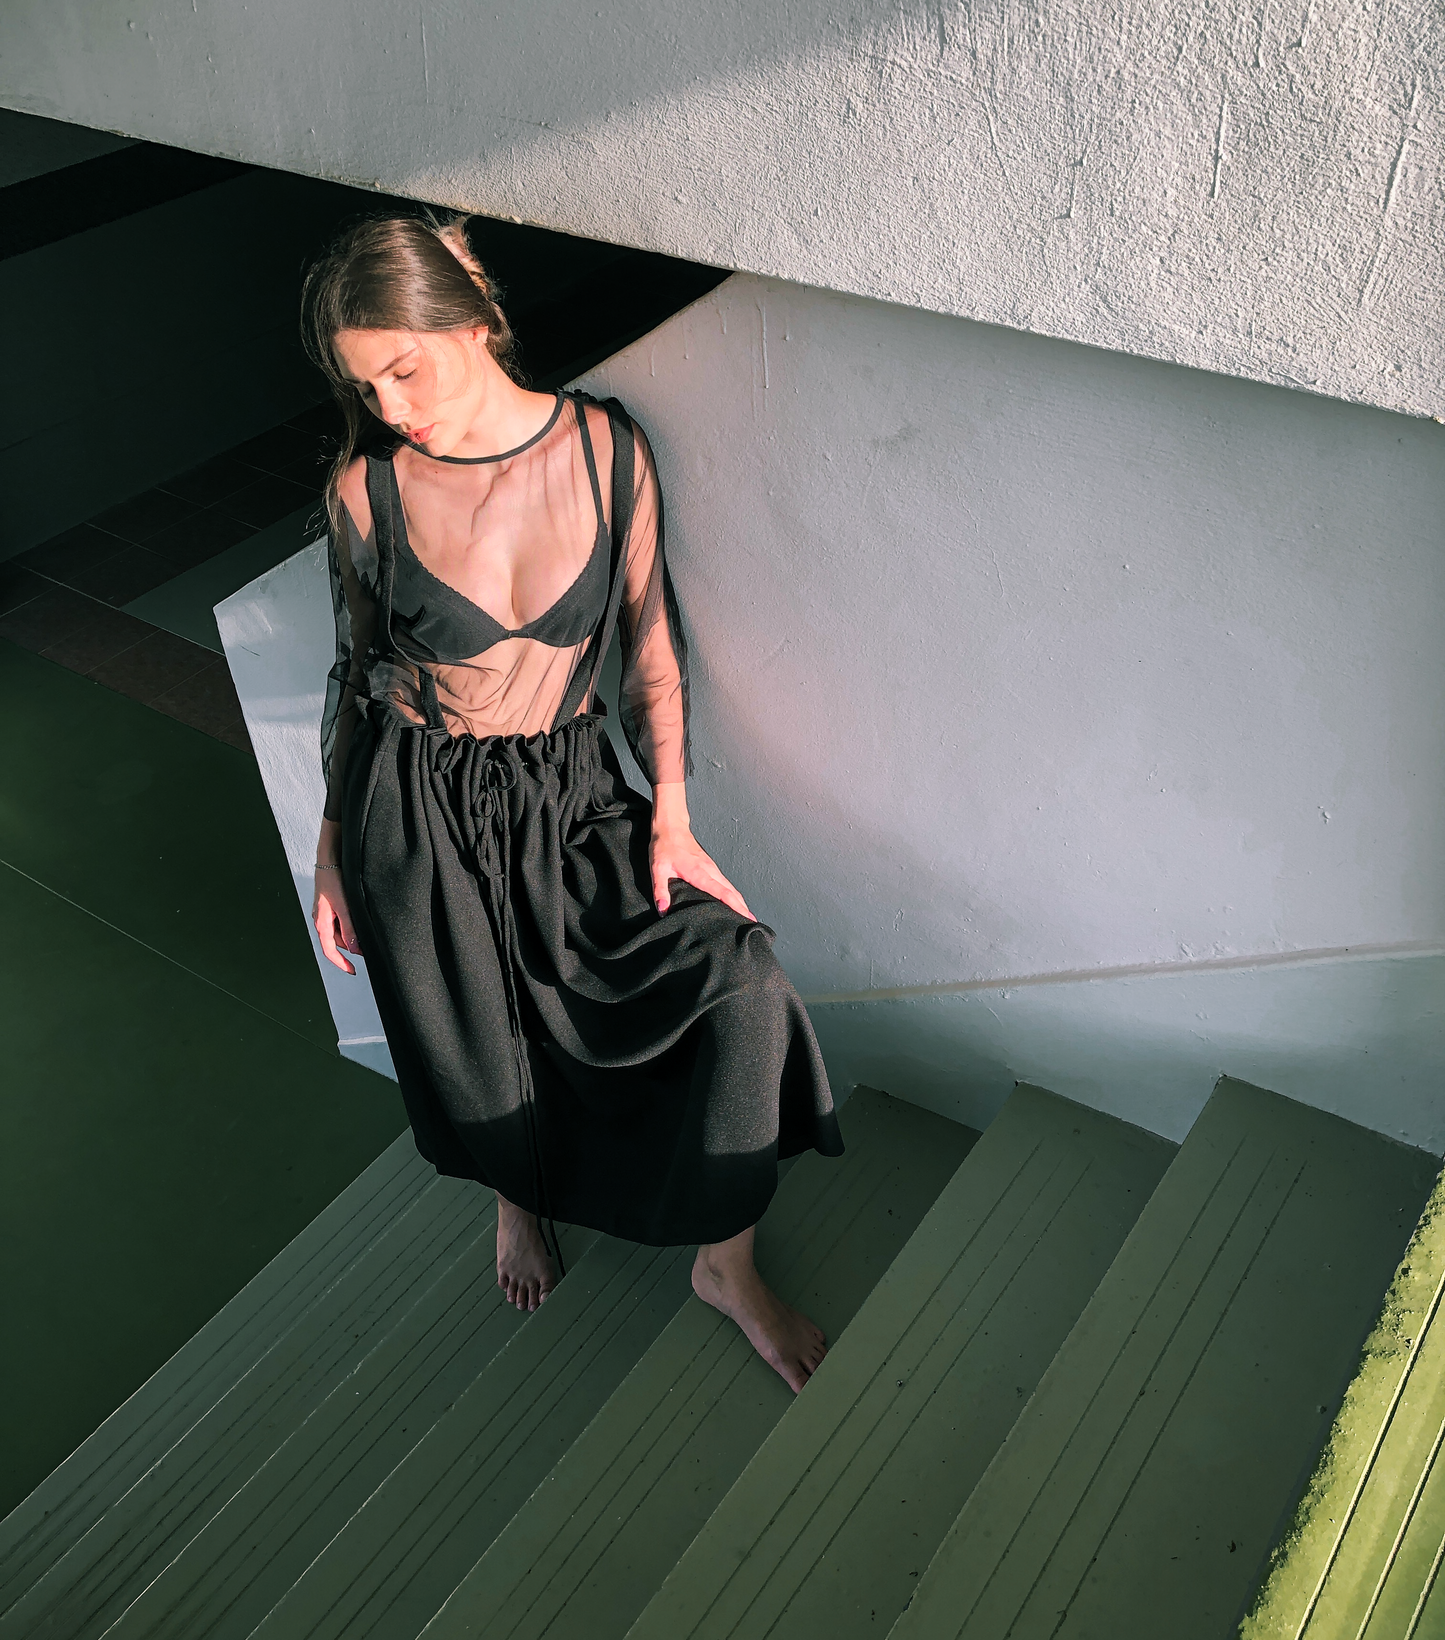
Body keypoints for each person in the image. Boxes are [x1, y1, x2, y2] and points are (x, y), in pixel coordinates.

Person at [301, 215, 842, 1393]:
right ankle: (518, 1198)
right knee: (483, 1049)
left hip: (570, 794)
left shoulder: (604, 450)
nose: (391, 406)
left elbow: (650, 646)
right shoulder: (368, 489)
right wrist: (332, 848)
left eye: (404, 368)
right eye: (364, 385)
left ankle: (725, 1267)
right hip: (419, 815)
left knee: (741, 988)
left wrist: (672, 815)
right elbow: (356, 674)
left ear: (469, 317)